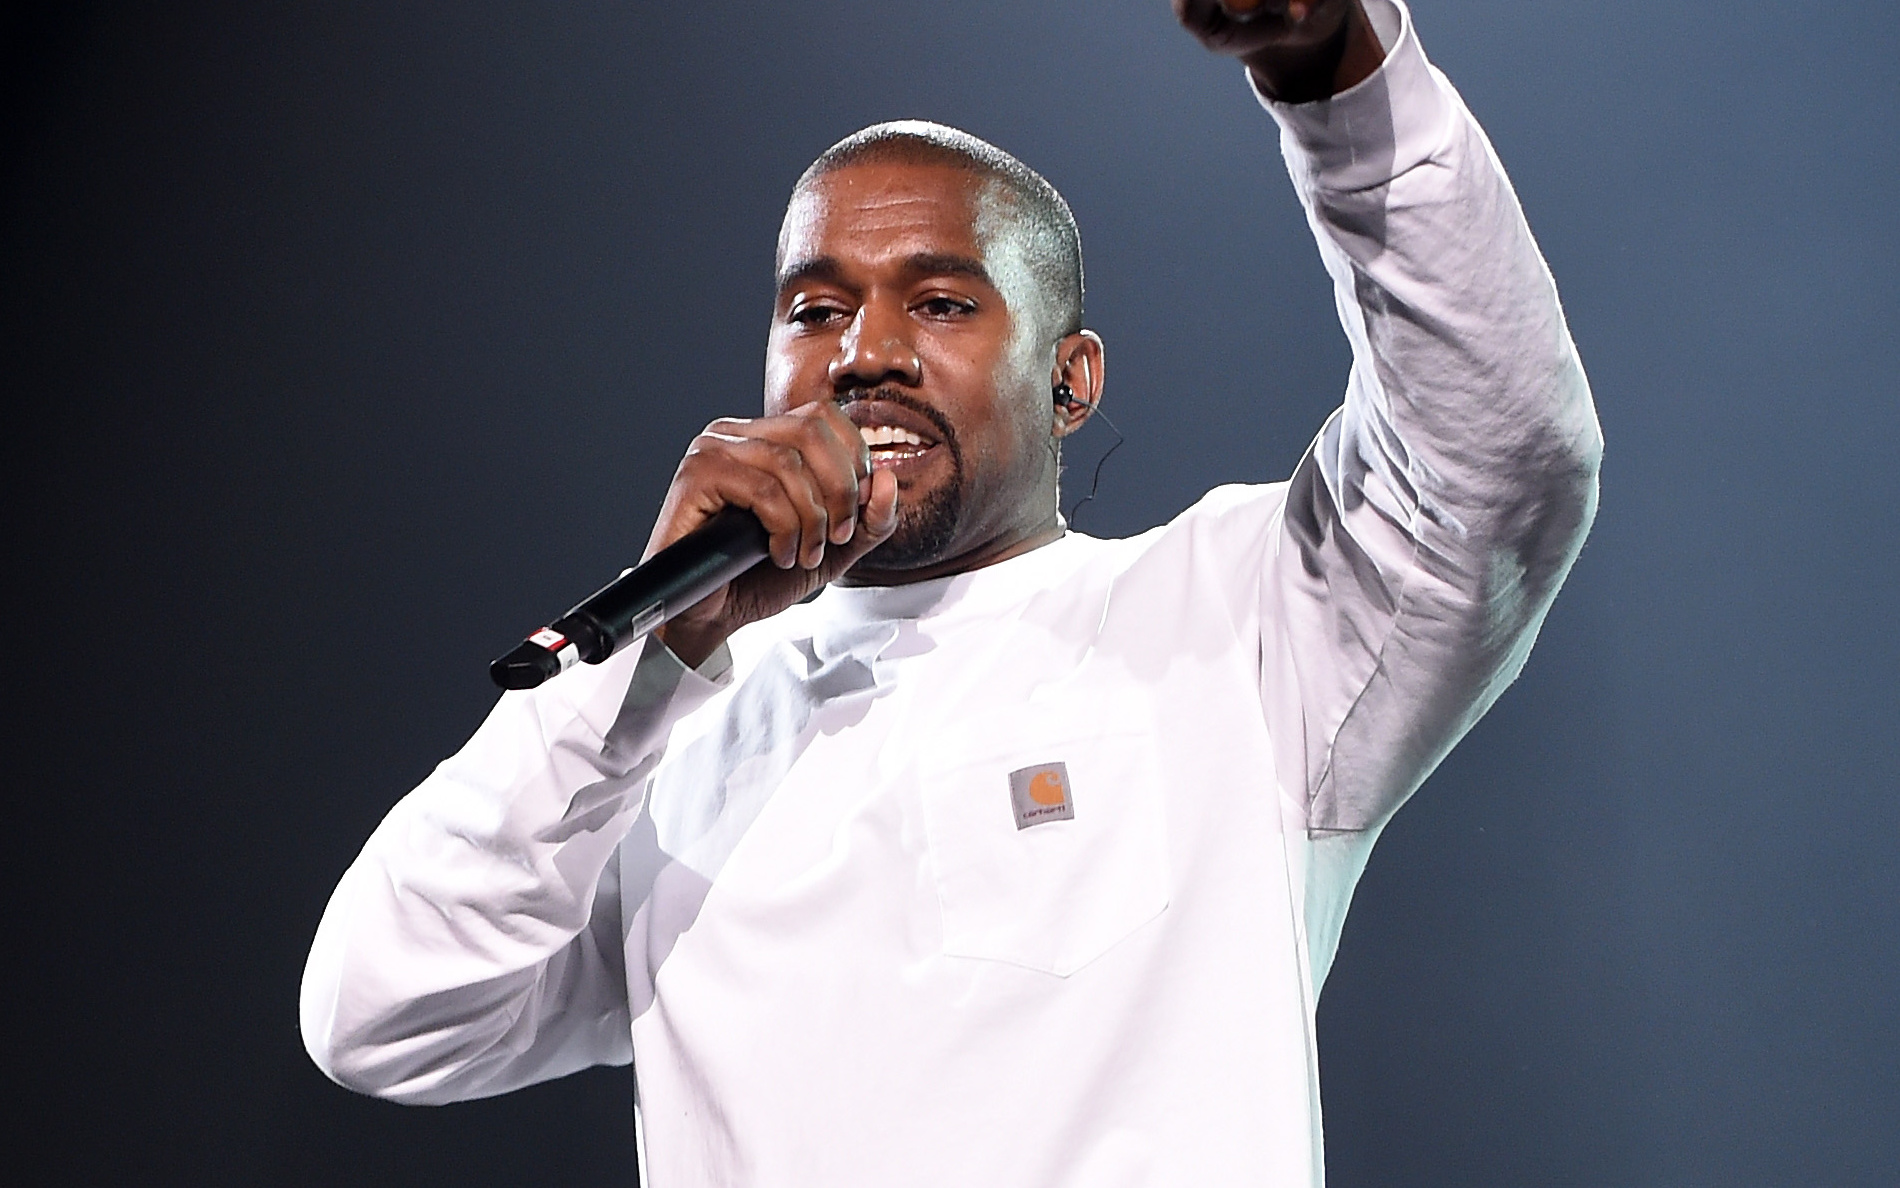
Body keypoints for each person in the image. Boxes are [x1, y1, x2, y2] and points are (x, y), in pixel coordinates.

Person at [300, 1, 1601, 1183]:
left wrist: (1340, 81)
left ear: (1071, 381)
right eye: (814, 311)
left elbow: (1503, 455)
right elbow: (380, 1017)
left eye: (938, 302)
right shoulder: (655, 733)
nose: (863, 353)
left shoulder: (1241, 621)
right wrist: (654, 659)